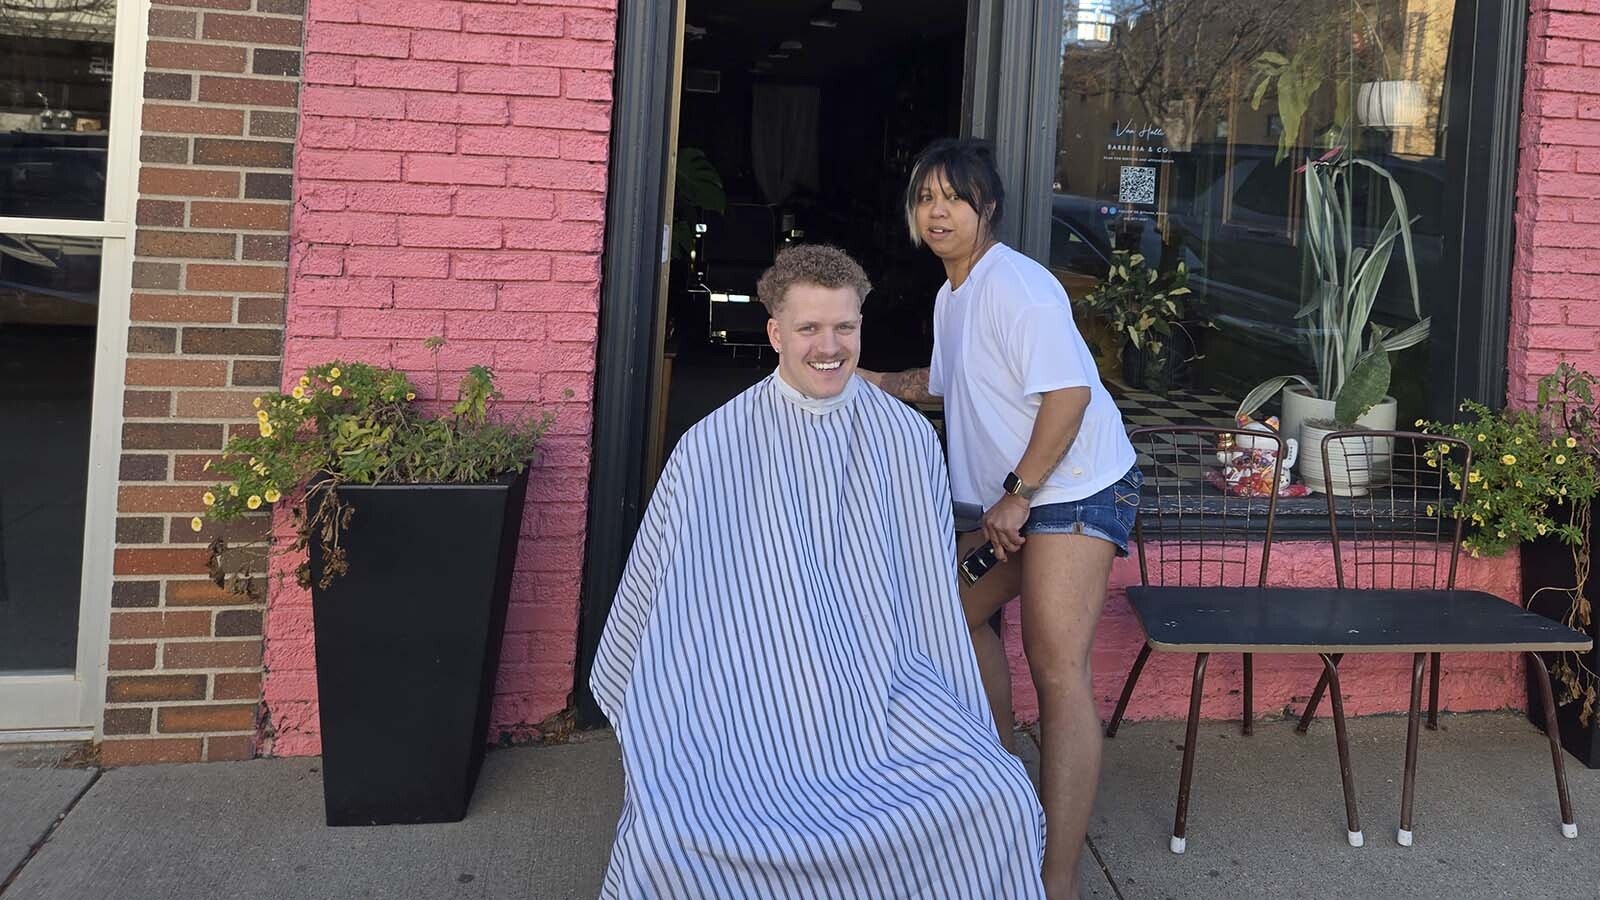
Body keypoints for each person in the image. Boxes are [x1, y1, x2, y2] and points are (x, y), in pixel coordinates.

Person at [590, 244, 1045, 899]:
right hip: (745, 696)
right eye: (808, 328)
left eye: (844, 327)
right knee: (671, 834)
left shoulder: (906, 439)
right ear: (776, 332)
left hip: (883, 687)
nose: (828, 346)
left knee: (995, 795)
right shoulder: (712, 447)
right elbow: (663, 608)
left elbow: (921, 602)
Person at [860, 139, 1141, 900]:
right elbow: (938, 385)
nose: (937, 211)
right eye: (925, 199)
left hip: (1075, 493)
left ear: (987, 209)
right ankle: (1004, 790)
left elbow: (1070, 396)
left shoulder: (1018, 284)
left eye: (953, 197)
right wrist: (852, 376)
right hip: (1019, 505)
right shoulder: (954, 294)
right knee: (948, 612)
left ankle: (1055, 877)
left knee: (1057, 668)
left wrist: (1018, 490)